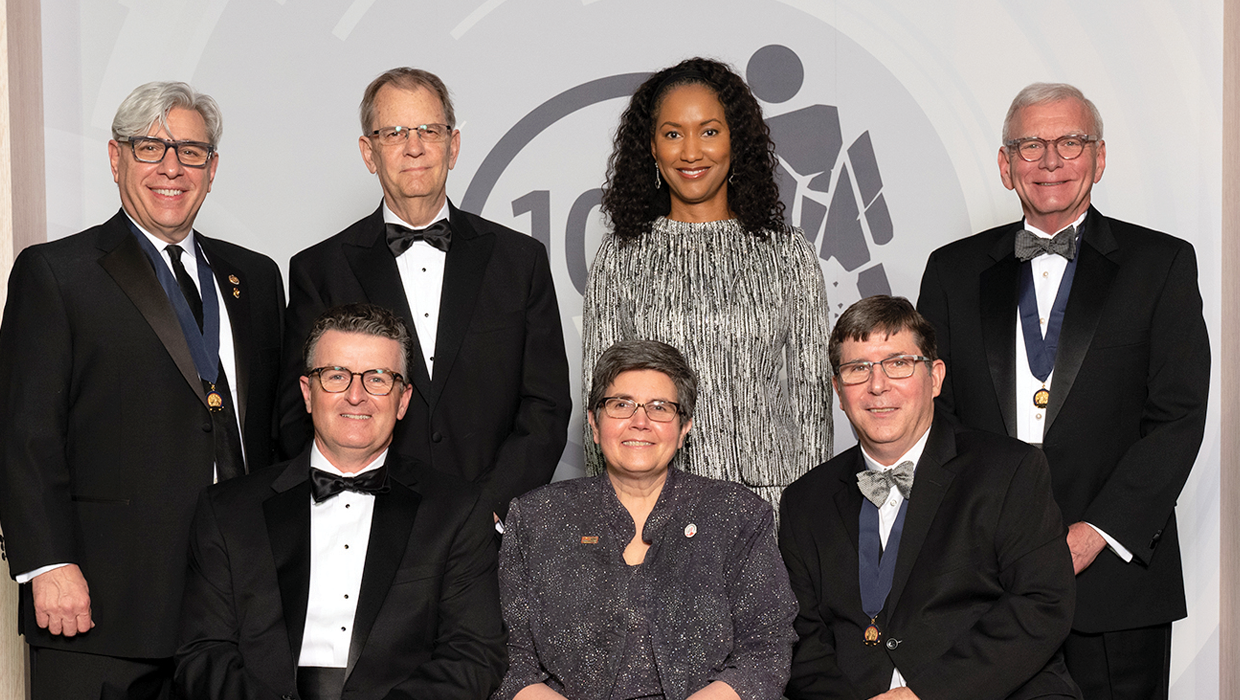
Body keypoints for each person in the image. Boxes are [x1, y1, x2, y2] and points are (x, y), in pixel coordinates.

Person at [0, 81, 284, 699]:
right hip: (101, 606)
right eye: (150, 148)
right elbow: (24, 432)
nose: (171, 168)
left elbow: (274, 431)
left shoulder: (254, 277)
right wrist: (49, 564)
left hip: (234, 611)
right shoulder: (57, 274)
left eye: (192, 152)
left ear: (213, 168)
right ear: (115, 158)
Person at [916, 83, 1209, 699]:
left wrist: (1098, 531)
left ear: (1099, 158)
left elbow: (1178, 416)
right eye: (1030, 145)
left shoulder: (1162, 265)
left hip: (1116, 584)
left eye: (1070, 142)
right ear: (1005, 165)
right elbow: (933, 417)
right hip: (984, 584)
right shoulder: (951, 270)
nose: (1050, 161)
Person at [280, 67, 571, 520]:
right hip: (366, 526)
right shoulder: (319, 269)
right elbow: (298, 412)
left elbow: (546, 407)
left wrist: (488, 509)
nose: (413, 147)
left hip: (487, 534)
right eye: (394, 132)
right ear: (368, 152)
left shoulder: (521, 261)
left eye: (428, 131)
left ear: (452, 146)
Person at [176, 303, 507, 700]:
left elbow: (473, 655)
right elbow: (202, 654)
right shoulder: (227, 511)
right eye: (336, 376)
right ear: (307, 393)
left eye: (378, 379)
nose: (355, 396)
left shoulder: (458, 510)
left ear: (403, 401)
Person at [779, 295, 1079, 700]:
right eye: (857, 369)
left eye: (898, 363)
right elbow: (802, 639)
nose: (877, 385)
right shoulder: (803, 500)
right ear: (837, 389)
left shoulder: (1009, 470)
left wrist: (925, 694)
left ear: (935, 377)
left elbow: (1041, 604)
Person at [582, 57, 832, 509]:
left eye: (710, 131)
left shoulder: (788, 253)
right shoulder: (620, 257)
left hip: (769, 507)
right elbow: (600, 407)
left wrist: (811, 521)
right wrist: (610, 515)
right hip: (653, 506)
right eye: (673, 133)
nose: (691, 152)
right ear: (652, 149)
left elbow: (811, 400)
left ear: (736, 142)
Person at [497, 339, 797, 700]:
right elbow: (510, 656)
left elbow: (766, 648)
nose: (640, 422)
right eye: (621, 405)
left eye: (660, 408)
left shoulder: (738, 515)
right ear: (594, 423)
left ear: (684, 427)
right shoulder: (535, 518)